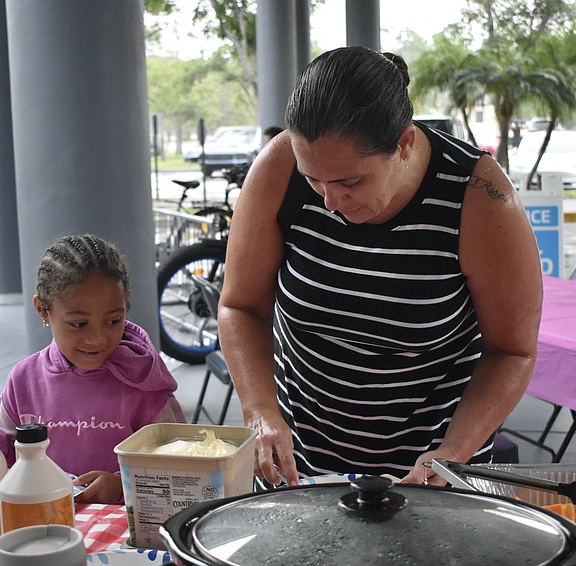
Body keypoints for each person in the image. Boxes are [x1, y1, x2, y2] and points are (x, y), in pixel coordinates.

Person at [217, 46, 542, 489]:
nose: (330, 203)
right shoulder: (278, 167)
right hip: (300, 465)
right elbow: (240, 306)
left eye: (350, 181)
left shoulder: (480, 198)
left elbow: (512, 350)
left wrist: (452, 454)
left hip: (431, 469)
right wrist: (259, 411)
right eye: (314, 181)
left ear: (404, 143)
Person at [0, 234, 185, 503]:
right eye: (79, 324)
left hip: (121, 534)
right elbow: (8, 459)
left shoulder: (143, 383)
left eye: (114, 320)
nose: (98, 339)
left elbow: (180, 470)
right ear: (43, 309)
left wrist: (123, 484)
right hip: (45, 526)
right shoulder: (24, 380)